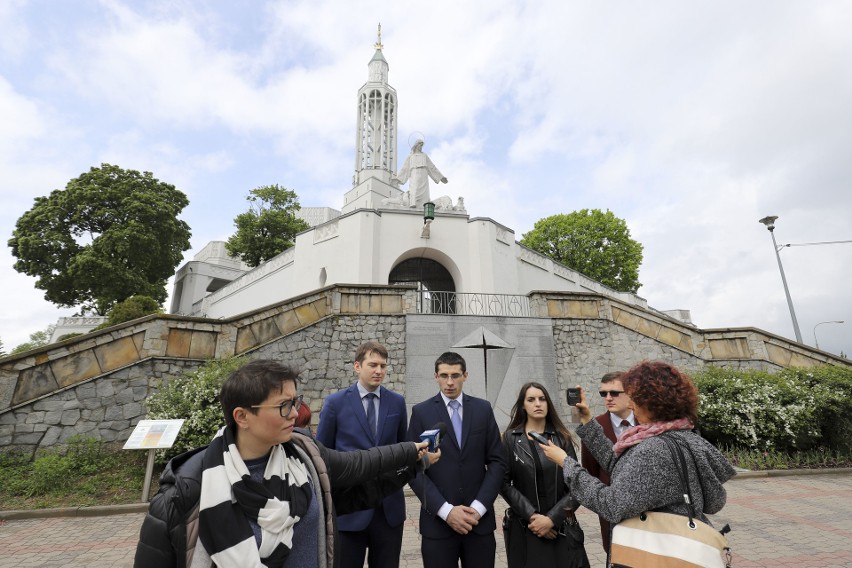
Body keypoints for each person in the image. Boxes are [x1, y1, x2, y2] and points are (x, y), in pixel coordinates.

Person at [134, 359, 438, 568]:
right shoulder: (184, 493)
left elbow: (358, 468)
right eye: (284, 406)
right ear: (242, 417)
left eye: (296, 401)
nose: (296, 413)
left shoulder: (304, 457)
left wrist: (413, 457)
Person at [539, 361, 736, 559]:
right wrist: (588, 421)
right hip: (686, 550)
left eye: (635, 399)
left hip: (656, 554)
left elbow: (612, 505)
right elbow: (715, 501)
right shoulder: (686, 436)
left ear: (653, 402)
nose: (631, 405)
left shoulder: (653, 448)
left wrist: (567, 463)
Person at [407, 351, 506, 568]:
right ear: (436, 376)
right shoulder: (421, 412)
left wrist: (479, 508)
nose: (449, 382)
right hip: (438, 524)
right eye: (444, 375)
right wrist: (446, 510)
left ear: (465, 376)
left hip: (478, 524)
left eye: (455, 375)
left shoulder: (482, 409)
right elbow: (413, 469)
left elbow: (497, 462)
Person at [316, 342, 408, 568]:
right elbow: (322, 455)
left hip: (388, 510)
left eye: (383, 366)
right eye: (373, 365)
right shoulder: (335, 403)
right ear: (357, 366)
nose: (379, 371)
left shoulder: (397, 402)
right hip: (349, 510)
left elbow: (402, 449)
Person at [500, 382, 590, 568]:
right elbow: (503, 483)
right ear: (523, 405)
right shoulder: (510, 439)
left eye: (542, 399)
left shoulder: (561, 438)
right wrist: (533, 517)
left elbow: (577, 484)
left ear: (548, 403)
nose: (538, 404)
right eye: (531, 400)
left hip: (560, 528)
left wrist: (551, 520)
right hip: (526, 527)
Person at [579, 371, 635, 552]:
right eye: (604, 394)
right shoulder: (593, 427)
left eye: (614, 393)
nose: (608, 398)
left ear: (630, 394)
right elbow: (591, 472)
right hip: (612, 514)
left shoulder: (647, 424)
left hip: (646, 514)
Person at [396, 139, 448, 209]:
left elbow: (432, 167)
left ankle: (424, 205)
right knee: (414, 189)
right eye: (420, 145)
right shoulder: (411, 156)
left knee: (424, 192)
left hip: (423, 175)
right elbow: (404, 169)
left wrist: (441, 177)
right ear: (416, 145)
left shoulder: (424, 155)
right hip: (414, 174)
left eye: (422, 146)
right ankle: (413, 203)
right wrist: (398, 179)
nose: (421, 147)